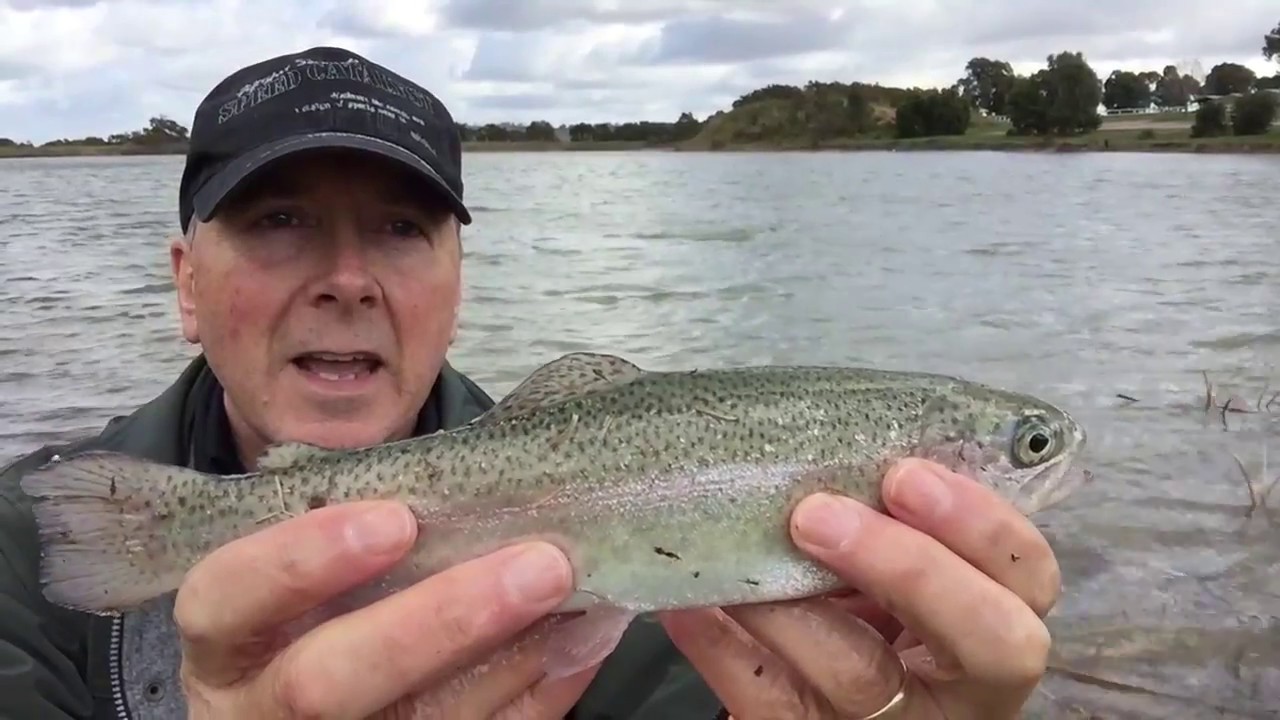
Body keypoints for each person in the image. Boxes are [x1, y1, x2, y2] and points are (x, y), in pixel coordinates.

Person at [0, 45, 1062, 719]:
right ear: (186, 284)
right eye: (278, 221)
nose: (346, 280)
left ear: (459, 282)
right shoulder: (21, 549)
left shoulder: (666, 627)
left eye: (400, 228)